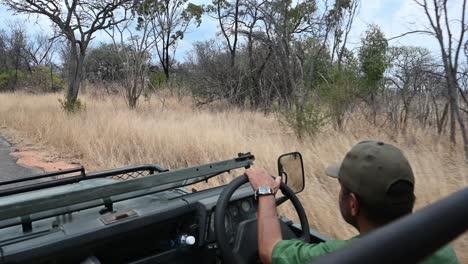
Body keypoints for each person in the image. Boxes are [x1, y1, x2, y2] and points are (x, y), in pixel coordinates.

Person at [245, 140, 459, 264]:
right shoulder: (443, 250)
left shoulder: (344, 256)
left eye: (342, 189)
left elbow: (269, 249)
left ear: (353, 204)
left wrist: (265, 192)